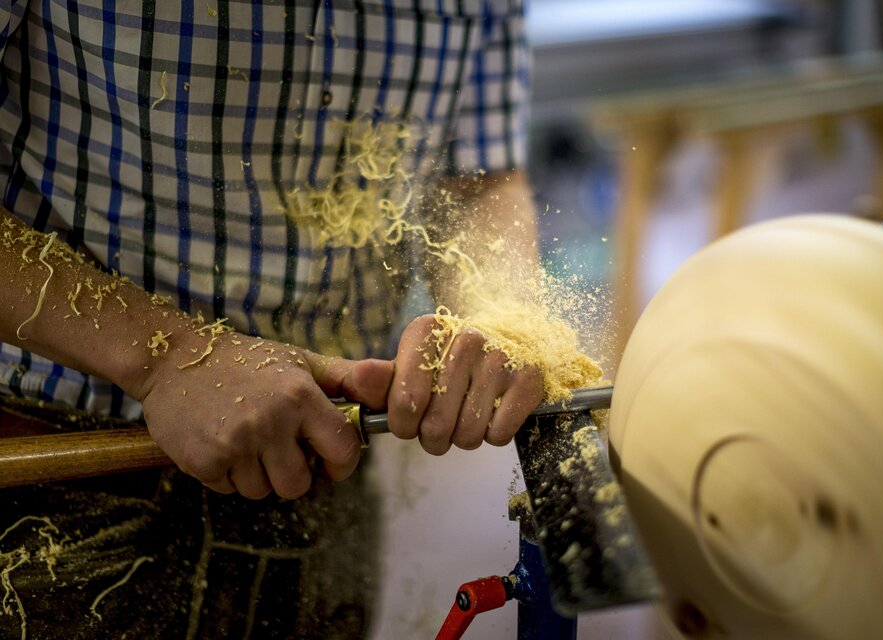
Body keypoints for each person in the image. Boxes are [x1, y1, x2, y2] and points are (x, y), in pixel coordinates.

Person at [0, 1, 541, 637]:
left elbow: (479, 181)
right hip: (68, 476)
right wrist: (166, 356)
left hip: (332, 458)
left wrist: (499, 322)